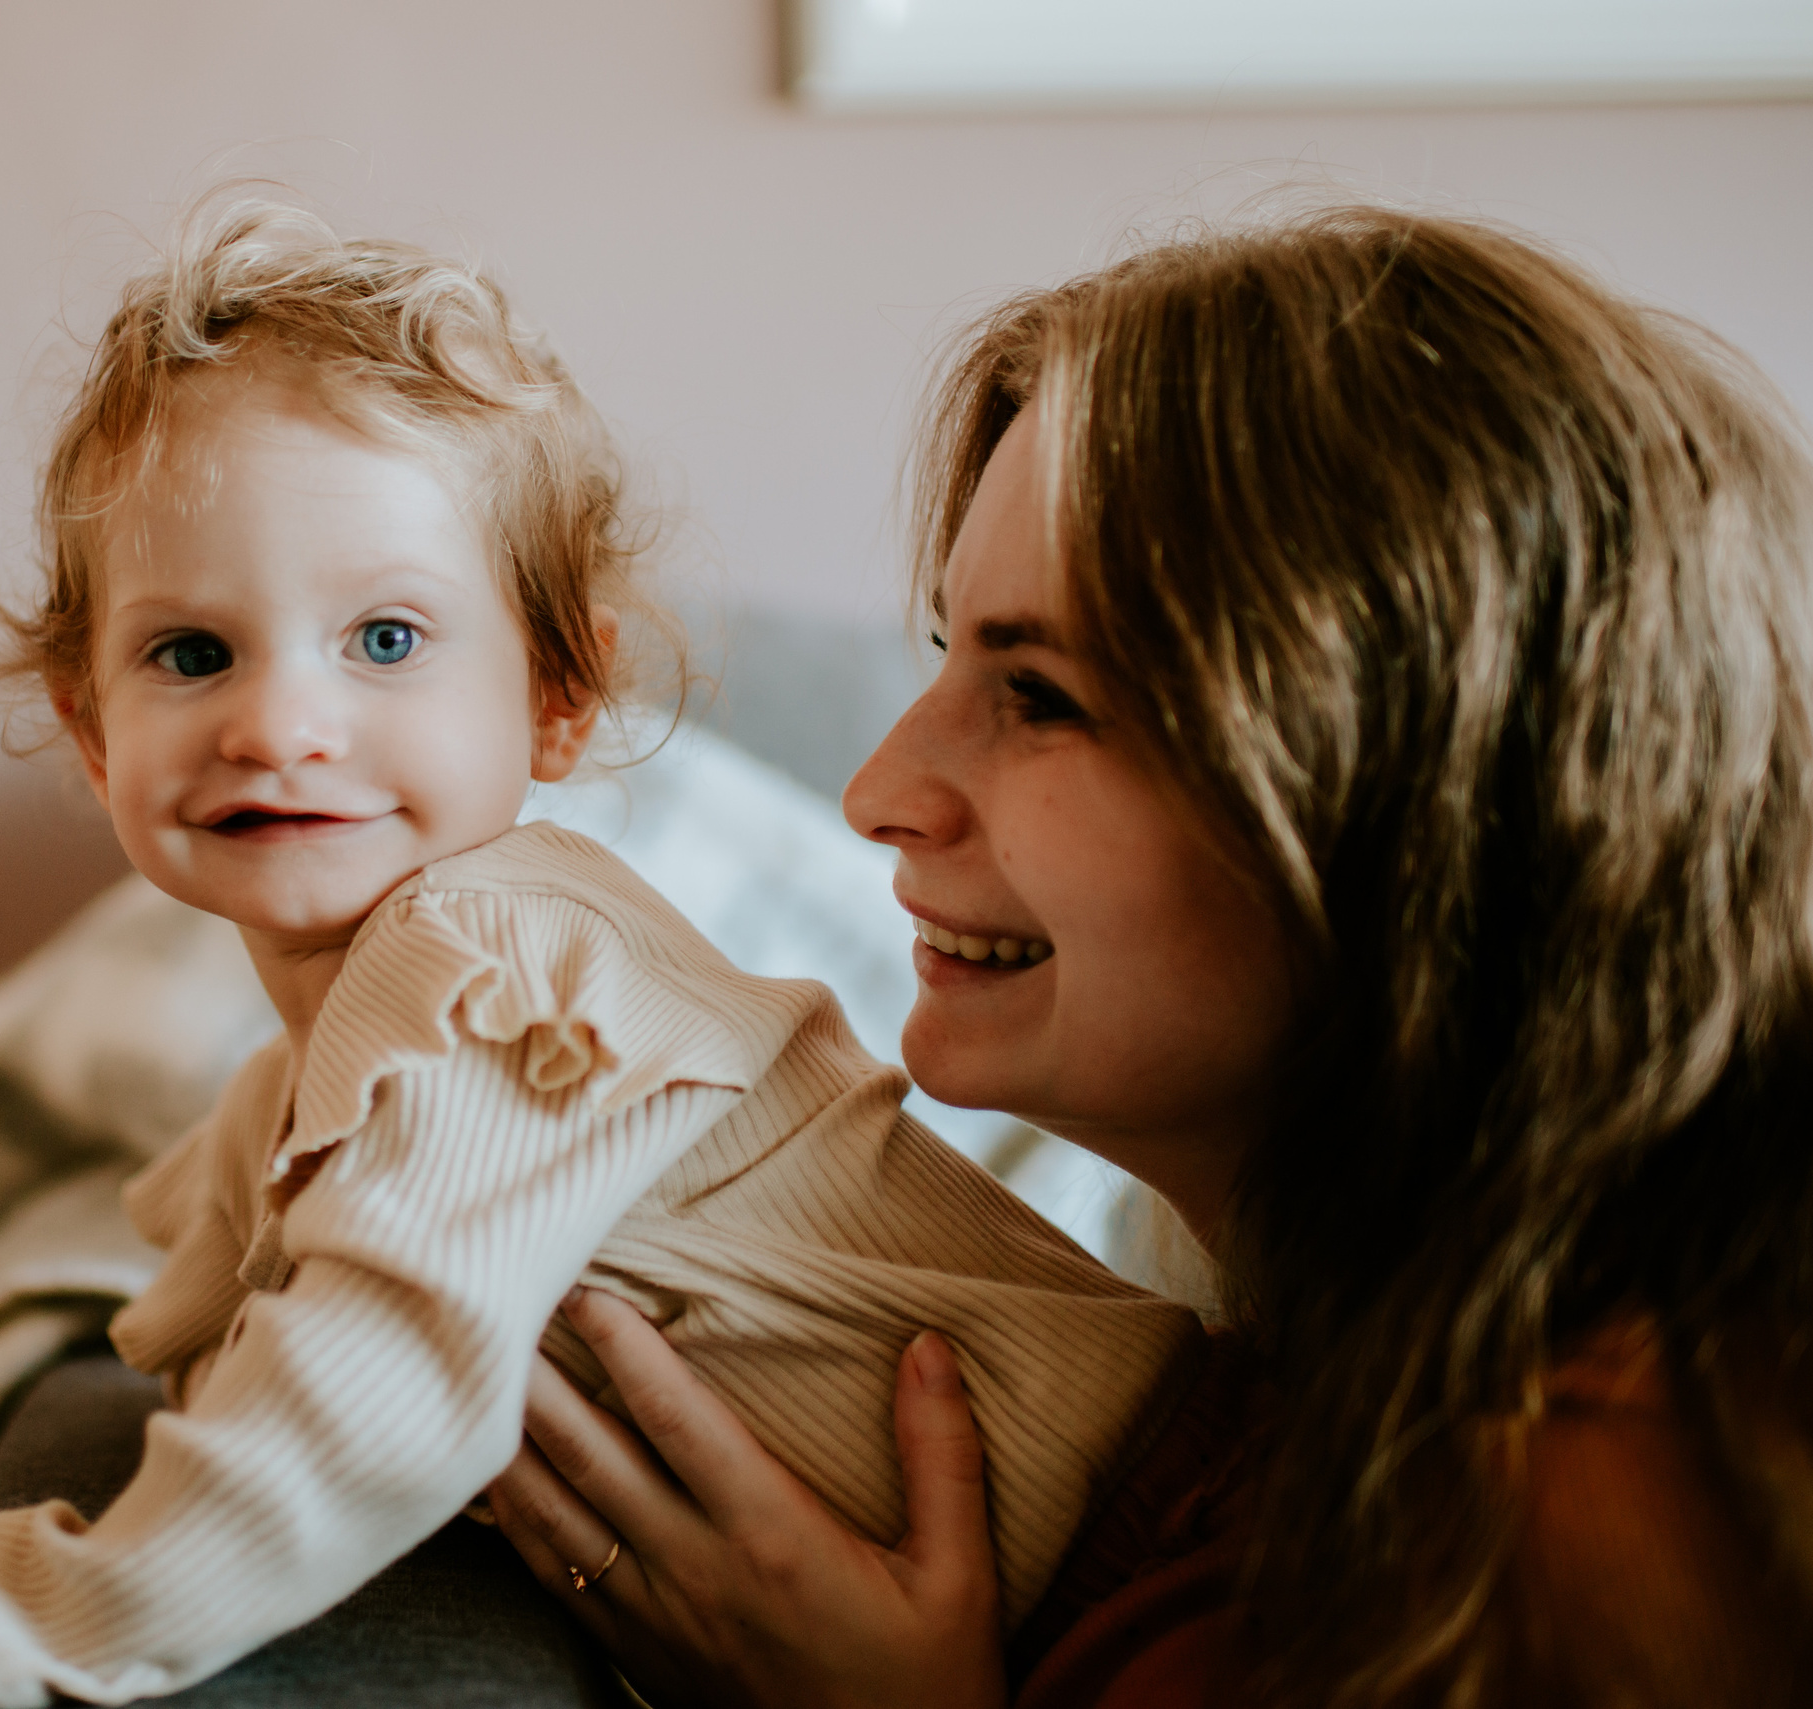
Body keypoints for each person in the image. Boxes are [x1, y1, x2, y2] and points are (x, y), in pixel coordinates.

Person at [0, 202, 1206, 1708]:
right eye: (192, 653)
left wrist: (54, 1594)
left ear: (558, 696)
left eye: (388, 640)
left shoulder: (488, 952)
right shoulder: (300, 1079)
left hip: (1161, 1533)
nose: (279, 723)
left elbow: (375, 1387)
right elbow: (232, 1285)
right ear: (92, 732)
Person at [483, 205, 1813, 1708]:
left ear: (1408, 784)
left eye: (1040, 693)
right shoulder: (1302, 1361)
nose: (879, 794)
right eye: (948, 657)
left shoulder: (1598, 1517)